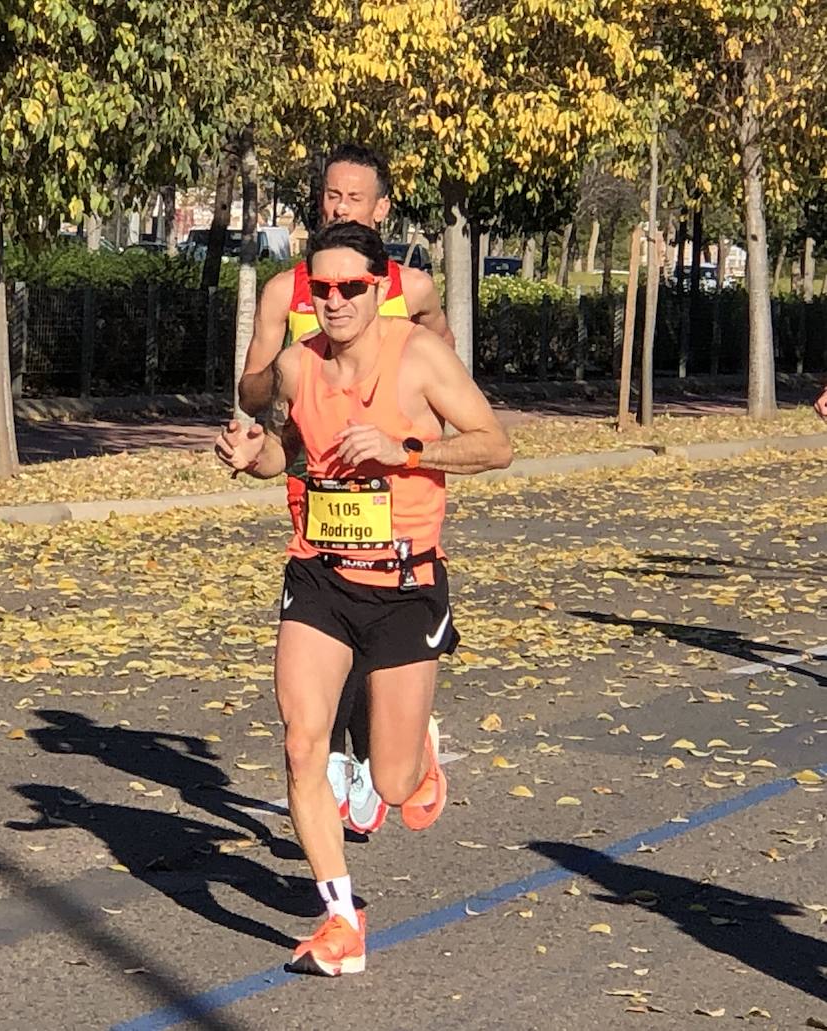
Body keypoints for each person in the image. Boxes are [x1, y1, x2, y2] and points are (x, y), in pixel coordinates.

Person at [214, 221, 512, 976]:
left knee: (391, 783)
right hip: (320, 575)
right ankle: (342, 919)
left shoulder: (419, 359)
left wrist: (406, 449)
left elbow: (494, 443)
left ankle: (419, 764)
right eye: (324, 288)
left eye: (353, 286)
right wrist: (256, 459)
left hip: (407, 586)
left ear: (379, 289)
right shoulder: (294, 366)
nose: (337, 300)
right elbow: (291, 451)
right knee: (300, 741)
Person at [237, 143, 453, 830]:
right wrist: (274, 384)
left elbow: (451, 378)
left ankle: (392, 749)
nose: (338, 206)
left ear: (381, 209)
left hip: (392, 491)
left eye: (353, 198)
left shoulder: (410, 291)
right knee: (325, 627)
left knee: (376, 638)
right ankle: (329, 754)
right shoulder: (285, 291)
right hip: (317, 483)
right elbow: (250, 387)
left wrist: (410, 439)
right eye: (331, 196)